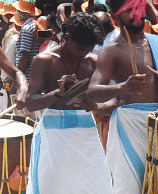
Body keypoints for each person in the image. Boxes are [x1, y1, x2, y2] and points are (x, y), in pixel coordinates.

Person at [87, 0, 158, 194]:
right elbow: (93, 92)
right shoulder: (111, 50)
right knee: (129, 189)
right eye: (129, 9)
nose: (136, 12)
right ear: (116, 15)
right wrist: (122, 88)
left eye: (138, 6)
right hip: (129, 127)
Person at [23, 12, 109, 194]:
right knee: (52, 188)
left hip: (86, 132)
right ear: (66, 37)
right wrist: (57, 93)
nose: (84, 53)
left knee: (94, 187)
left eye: (89, 48)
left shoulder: (93, 62)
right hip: (53, 134)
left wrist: (97, 106)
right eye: (80, 48)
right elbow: (30, 103)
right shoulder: (44, 60)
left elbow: (109, 97)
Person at [13, 0, 41, 79]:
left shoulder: (27, 28)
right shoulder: (36, 24)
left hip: (28, 76)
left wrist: (19, 77)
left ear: (23, 12)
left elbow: (25, 56)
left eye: (18, 10)